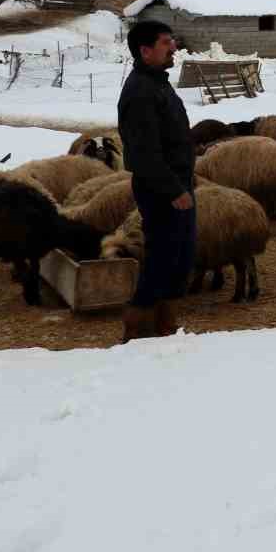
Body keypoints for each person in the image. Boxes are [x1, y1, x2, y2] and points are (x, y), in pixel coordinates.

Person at [117, 19, 196, 342]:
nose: (173, 47)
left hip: (176, 183)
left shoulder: (158, 83)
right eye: (166, 43)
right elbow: (143, 152)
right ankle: (136, 329)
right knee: (162, 257)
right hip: (161, 188)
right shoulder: (140, 91)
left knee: (179, 256)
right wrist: (173, 189)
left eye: (172, 41)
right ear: (145, 50)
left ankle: (165, 325)